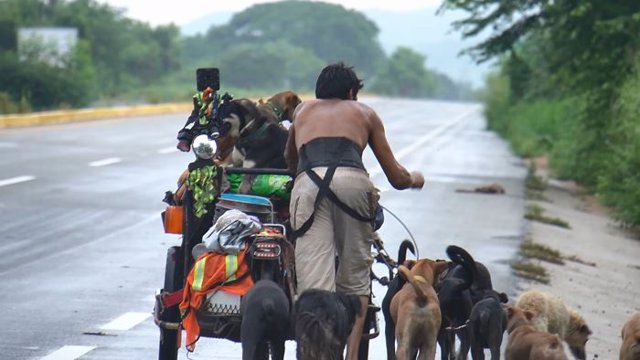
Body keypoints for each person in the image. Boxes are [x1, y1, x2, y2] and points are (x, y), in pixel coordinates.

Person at [284, 62, 424, 360]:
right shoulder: (365, 113)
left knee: (313, 285)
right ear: (350, 92)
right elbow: (396, 177)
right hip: (352, 185)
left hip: (307, 186)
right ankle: (350, 355)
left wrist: (302, 179)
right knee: (355, 278)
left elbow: (289, 157)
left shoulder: (302, 112)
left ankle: (313, 352)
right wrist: (415, 178)